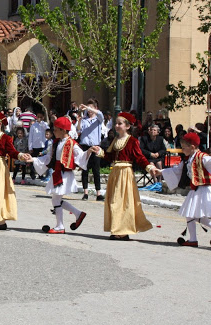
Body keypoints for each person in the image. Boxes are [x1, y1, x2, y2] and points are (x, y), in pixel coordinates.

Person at [158, 132, 211, 247]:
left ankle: (195, 238)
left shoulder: (202, 157)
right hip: (196, 189)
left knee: (191, 214)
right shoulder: (188, 159)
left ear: (192, 147)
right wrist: (161, 172)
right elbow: (177, 170)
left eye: (184, 147)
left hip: (202, 189)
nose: (182, 149)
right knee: (192, 214)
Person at [92, 112, 157, 240]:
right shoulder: (116, 140)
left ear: (127, 126)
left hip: (125, 172)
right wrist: (100, 152)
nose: (116, 125)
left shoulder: (132, 141)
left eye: (120, 123)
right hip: (115, 173)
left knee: (121, 202)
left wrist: (149, 167)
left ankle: (122, 230)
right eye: (116, 123)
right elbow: (110, 156)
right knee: (113, 201)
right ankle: (117, 228)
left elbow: (139, 157)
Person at [28, 117, 92, 234]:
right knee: (56, 199)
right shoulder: (56, 142)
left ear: (63, 130)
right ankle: (77, 214)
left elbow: (81, 156)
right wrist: (33, 159)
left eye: (56, 129)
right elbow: (48, 158)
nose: (54, 132)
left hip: (64, 174)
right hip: (57, 173)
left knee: (56, 199)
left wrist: (89, 151)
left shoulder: (72, 143)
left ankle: (60, 226)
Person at [77, 100, 105, 201]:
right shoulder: (84, 119)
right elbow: (79, 130)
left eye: (91, 108)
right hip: (85, 146)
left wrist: (88, 107)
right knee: (85, 169)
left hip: (95, 147)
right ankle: (85, 193)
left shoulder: (98, 119)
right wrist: (79, 120)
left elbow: (101, 114)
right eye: (88, 109)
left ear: (95, 108)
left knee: (96, 170)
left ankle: (98, 193)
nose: (89, 111)